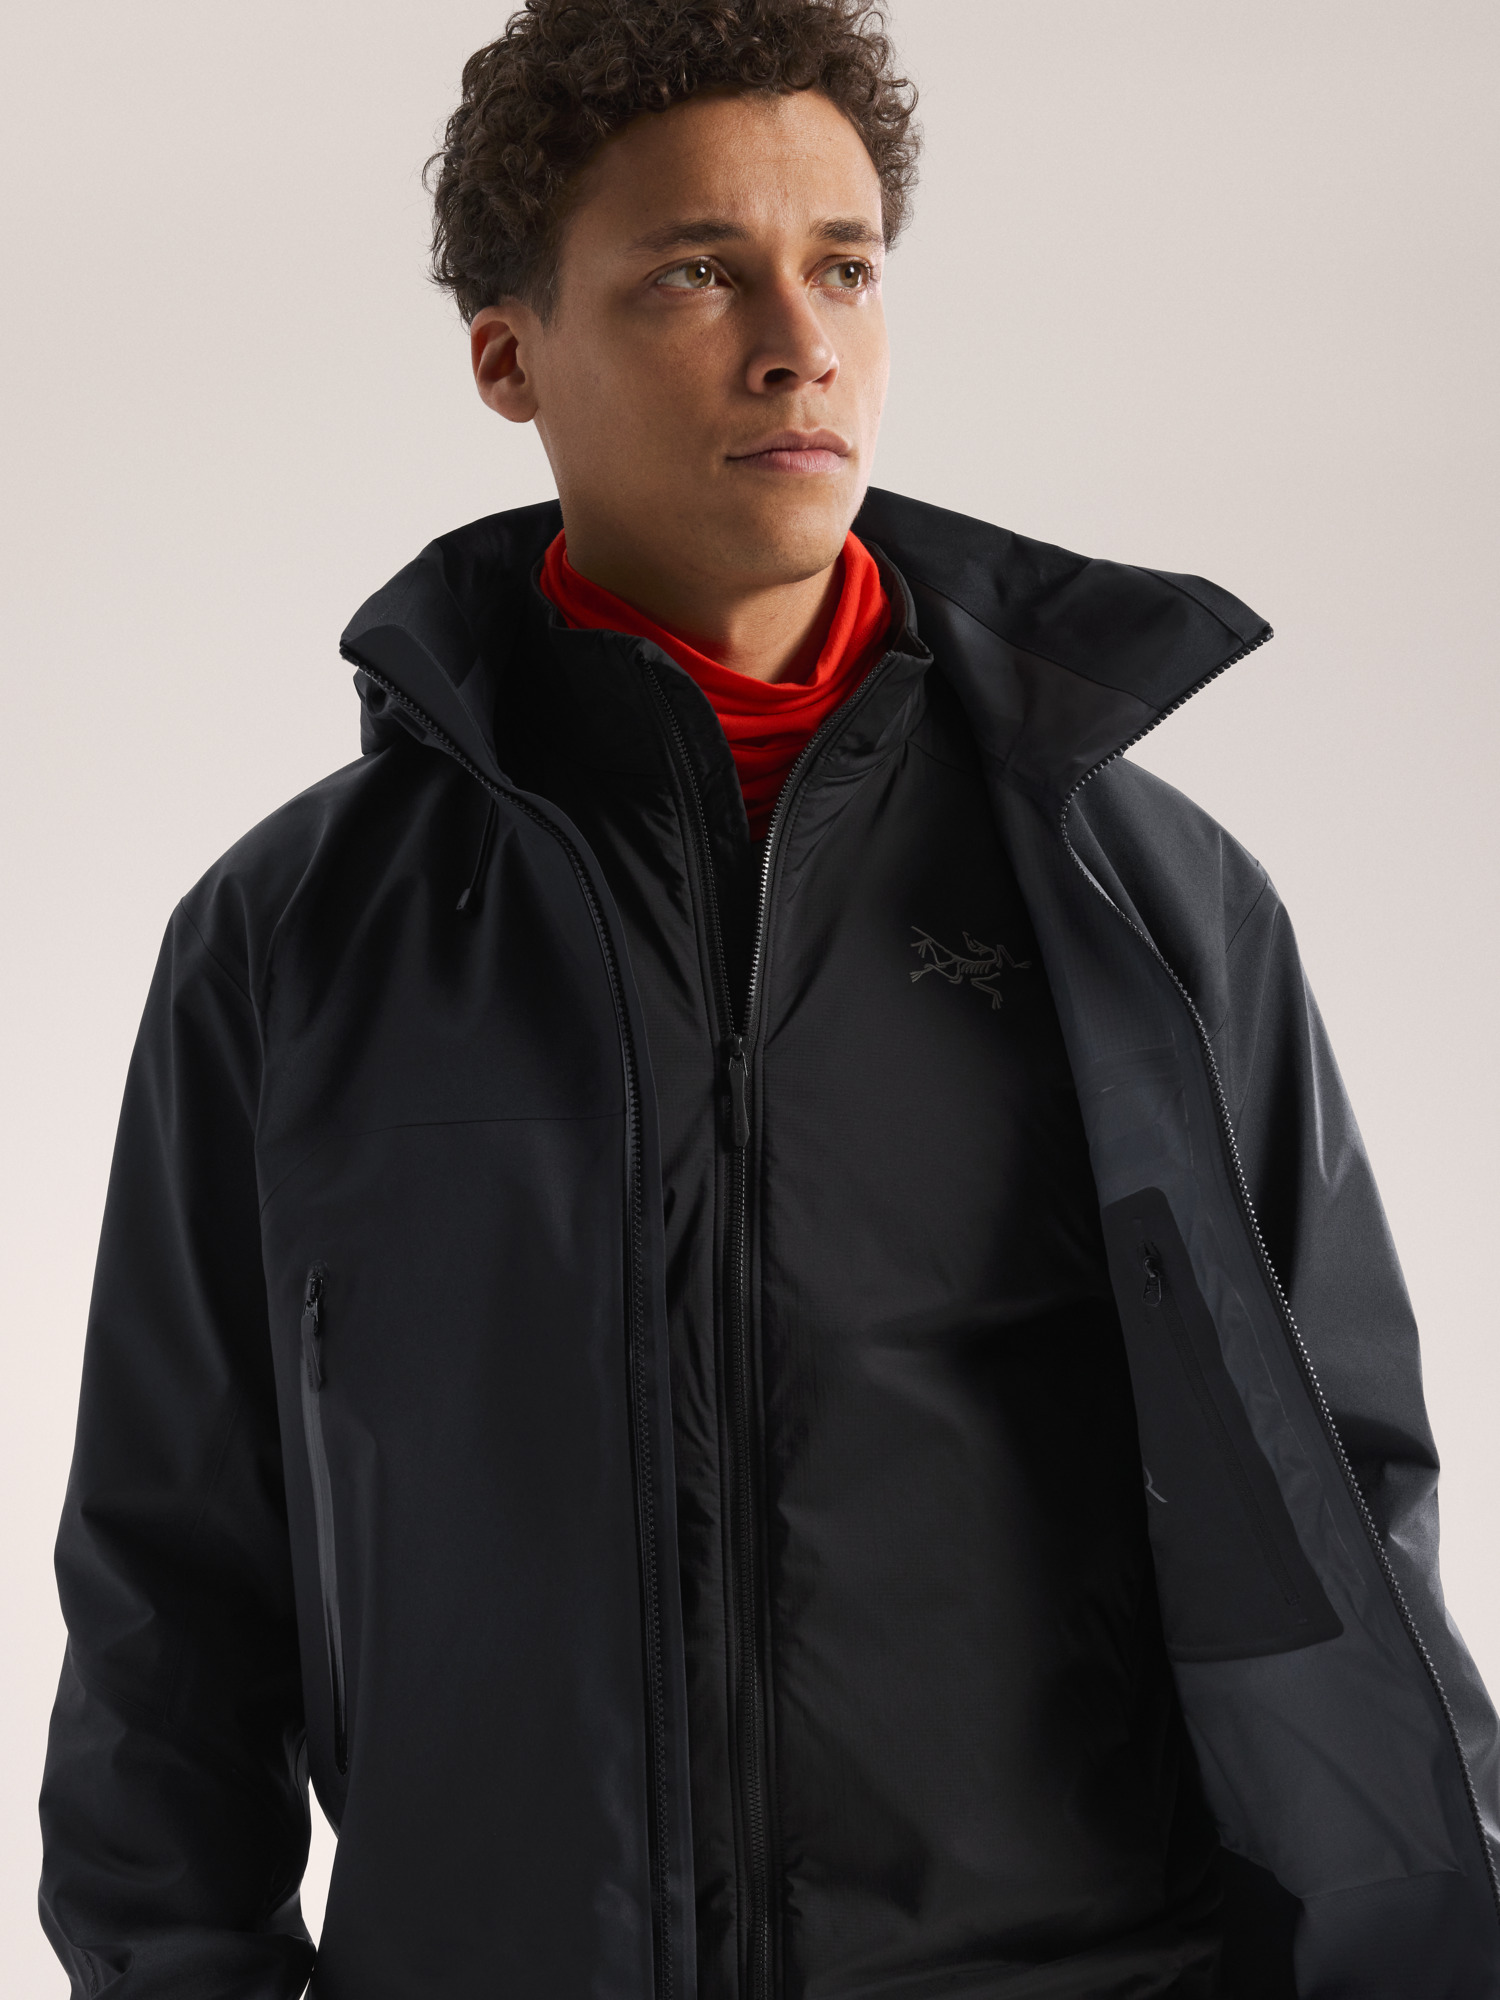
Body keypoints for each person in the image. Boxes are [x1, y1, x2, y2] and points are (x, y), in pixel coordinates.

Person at [37, 1, 1500, 1995]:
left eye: (844, 268)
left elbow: (1341, 1516)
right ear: (509, 355)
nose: (799, 341)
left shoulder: (1139, 903)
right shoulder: (294, 937)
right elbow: (168, 1597)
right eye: (697, 272)